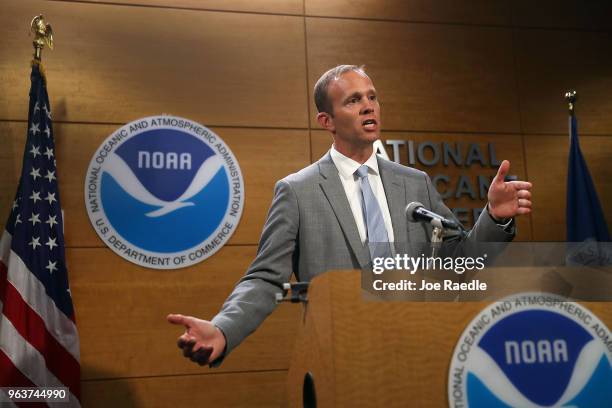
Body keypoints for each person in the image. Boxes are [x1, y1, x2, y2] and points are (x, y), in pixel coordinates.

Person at [167, 65, 532, 366]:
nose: (368, 107)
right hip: (342, 361)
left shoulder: (415, 183)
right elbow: (265, 279)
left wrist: (495, 217)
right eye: (354, 100)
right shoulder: (298, 191)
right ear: (326, 120)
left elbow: (461, 262)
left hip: (424, 354)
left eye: (372, 97)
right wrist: (223, 328)